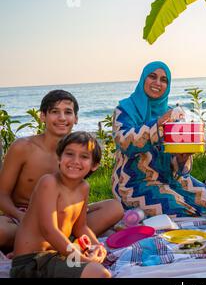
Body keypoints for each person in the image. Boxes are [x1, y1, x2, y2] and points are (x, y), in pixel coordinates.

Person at [0, 90, 124, 251]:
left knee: (114, 208)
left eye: (68, 112)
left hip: (65, 219)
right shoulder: (23, 147)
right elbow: (2, 195)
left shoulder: (75, 154)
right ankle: (52, 243)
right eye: (54, 112)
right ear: (42, 116)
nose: (62, 118)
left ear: (76, 118)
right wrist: (20, 216)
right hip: (24, 217)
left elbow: (74, 193)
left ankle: (56, 242)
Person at [112, 61, 206, 217]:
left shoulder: (171, 114)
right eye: (152, 77)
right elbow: (124, 142)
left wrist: (181, 158)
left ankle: (154, 208)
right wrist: (157, 125)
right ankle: (135, 212)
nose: (158, 83)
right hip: (134, 183)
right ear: (143, 79)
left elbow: (177, 165)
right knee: (179, 210)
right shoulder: (125, 110)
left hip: (169, 178)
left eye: (164, 80)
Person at [10, 132, 111, 278]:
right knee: (99, 273)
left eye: (84, 157)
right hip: (32, 263)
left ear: (94, 165)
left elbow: (80, 227)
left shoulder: (84, 187)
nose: (75, 161)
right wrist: (81, 259)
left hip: (58, 255)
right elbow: (48, 230)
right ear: (59, 157)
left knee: (97, 265)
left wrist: (98, 247)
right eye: (69, 154)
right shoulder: (49, 182)